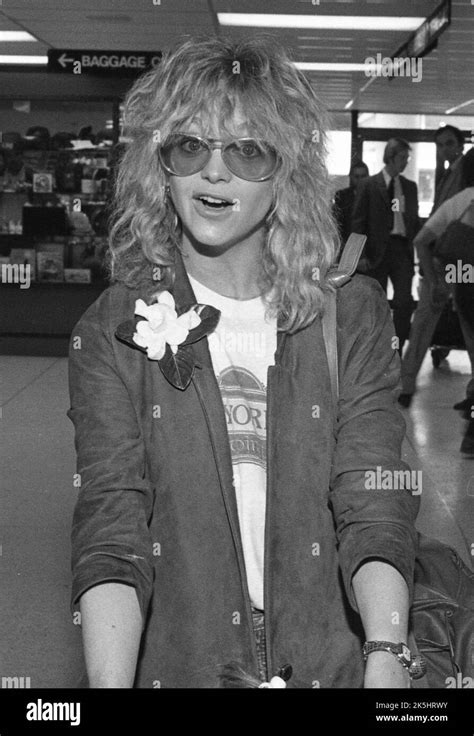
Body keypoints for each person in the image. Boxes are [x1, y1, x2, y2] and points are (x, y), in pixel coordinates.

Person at [68, 37, 420, 689]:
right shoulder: (115, 329)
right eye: (190, 146)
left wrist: (387, 652)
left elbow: (372, 498)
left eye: (248, 150)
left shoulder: (352, 314)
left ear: (287, 170)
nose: (214, 172)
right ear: (161, 165)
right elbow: (112, 528)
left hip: (334, 663)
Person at [399, 150, 474, 428]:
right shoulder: (464, 198)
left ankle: (406, 388)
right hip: (459, 271)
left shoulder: (460, 198)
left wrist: (434, 283)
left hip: (446, 267)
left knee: (423, 328)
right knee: (467, 331)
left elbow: (421, 240)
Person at [351, 138, 419, 355]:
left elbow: (413, 220)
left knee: (403, 302)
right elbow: (358, 222)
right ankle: (374, 348)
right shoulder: (369, 185)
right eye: (402, 158)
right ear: (390, 157)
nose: (406, 162)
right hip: (375, 250)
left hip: (401, 249)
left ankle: (395, 348)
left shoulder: (410, 187)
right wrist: (358, 255)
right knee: (375, 303)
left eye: (407, 159)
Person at [333, 159, 369, 245]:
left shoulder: (374, 196)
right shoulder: (341, 196)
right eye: (356, 176)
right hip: (347, 242)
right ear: (351, 177)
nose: (360, 180)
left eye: (363, 176)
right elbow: (337, 223)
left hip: (368, 245)